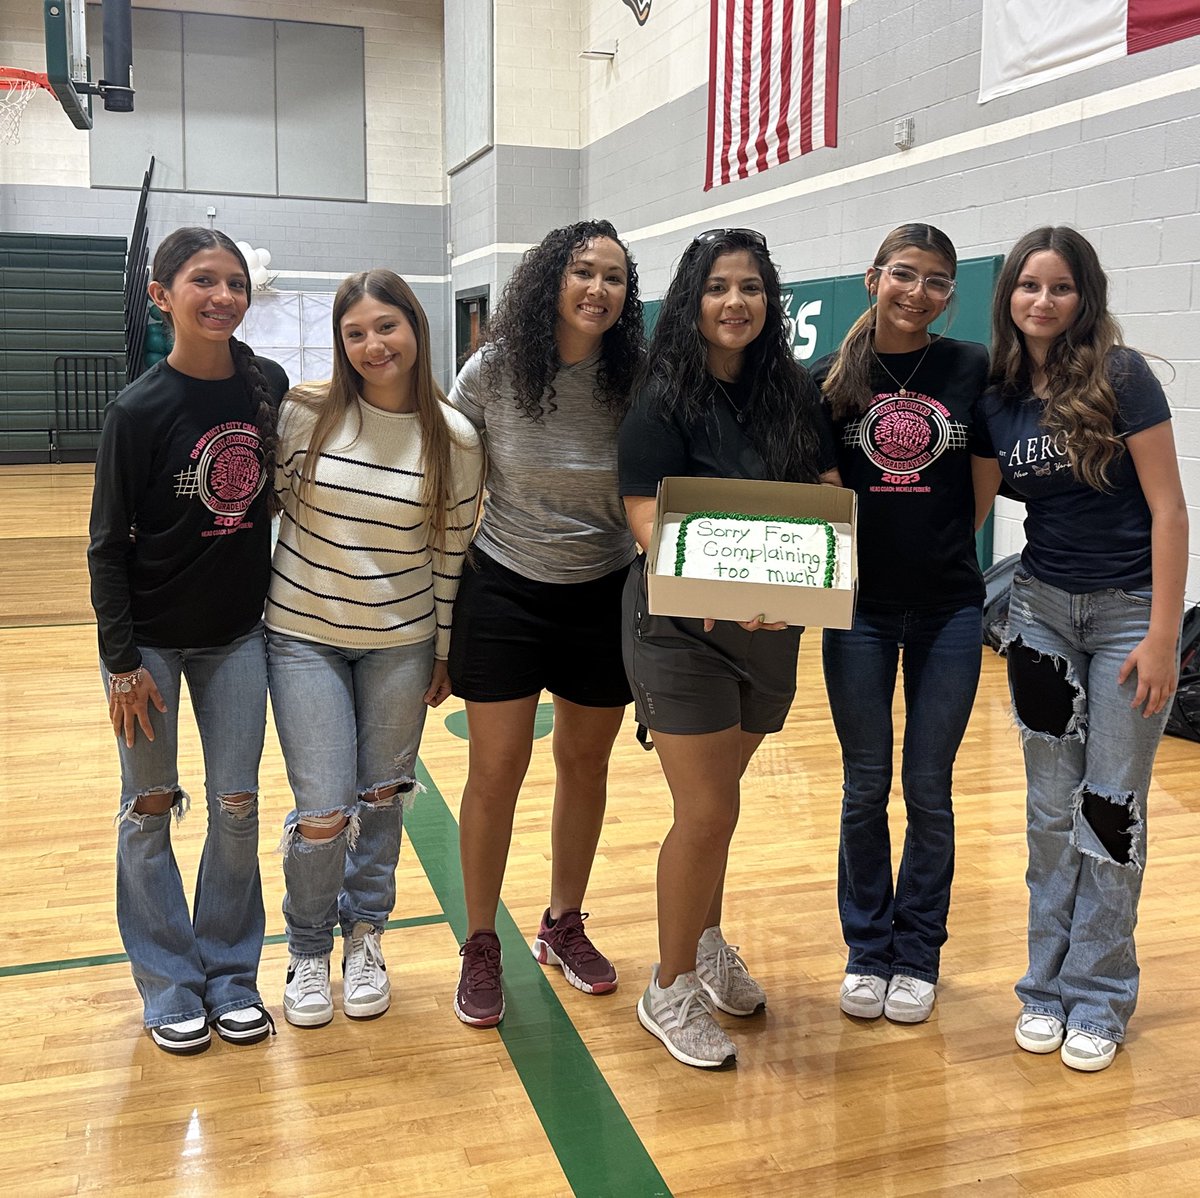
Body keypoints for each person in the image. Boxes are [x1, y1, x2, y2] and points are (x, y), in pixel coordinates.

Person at [619, 228, 840, 1067]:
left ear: (770, 301)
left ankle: (703, 937)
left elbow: (825, 495)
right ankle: (668, 985)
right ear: (691, 299)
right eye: (718, 287)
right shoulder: (660, 396)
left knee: (721, 804)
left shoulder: (792, 391)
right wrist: (731, 588)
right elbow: (645, 520)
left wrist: (789, 587)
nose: (735, 302)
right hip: (680, 629)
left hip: (771, 628)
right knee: (705, 811)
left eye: (751, 287)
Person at [972, 227, 1187, 1073]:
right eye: (1029, 285)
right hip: (1041, 618)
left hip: (1130, 617)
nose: (1043, 301)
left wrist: (1166, 634)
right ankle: (1044, 990)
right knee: (1048, 814)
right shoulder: (997, 394)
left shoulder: (1121, 377)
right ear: (1009, 296)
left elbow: (1169, 510)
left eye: (1060, 287)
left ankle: (1099, 995)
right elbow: (971, 508)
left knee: (1111, 809)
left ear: (1084, 295)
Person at [88, 226, 288, 1054]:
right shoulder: (138, 409)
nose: (223, 296)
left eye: (235, 282)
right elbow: (105, 545)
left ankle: (232, 974)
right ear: (162, 296)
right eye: (203, 280)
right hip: (151, 649)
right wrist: (123, 664)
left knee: (236, 808)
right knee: (149, 809)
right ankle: (170, 982)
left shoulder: (266, 384)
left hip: (238, 636)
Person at [267, 270, 483, 1028]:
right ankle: (304, 947)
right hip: (303, 637)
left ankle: (366, 936)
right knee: (324, 809)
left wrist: (445, 653)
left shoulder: (454, 438)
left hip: (402, 642)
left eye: (385, 327)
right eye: (355, 332)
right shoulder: (304, 414)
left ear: (416, 330)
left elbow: (452, 553)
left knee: (381, 801)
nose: (371, 345)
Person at [448, 219, 645, 1027]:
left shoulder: (636, 378)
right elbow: (445, 469)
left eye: (615, 279)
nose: (598, 289)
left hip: (602, 590)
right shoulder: (492, 372)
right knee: (495, 770)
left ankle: (563, 921)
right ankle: (481, 941)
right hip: (504, 590)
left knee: (584, 765)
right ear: (549, 282)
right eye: (583, 272)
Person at [811, 224, 990, 1025]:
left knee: (929, 791)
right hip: (858, 612)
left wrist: (942, 547)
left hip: (950, 609)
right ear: (872, 278)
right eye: (905, 276)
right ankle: (867, 950)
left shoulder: (968, 367)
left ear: (950, 296)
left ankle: (917, 955)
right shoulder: (832, 380)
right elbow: (821, 498)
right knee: (863, 788)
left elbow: (980, 480)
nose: (918, 293)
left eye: (937, 282)